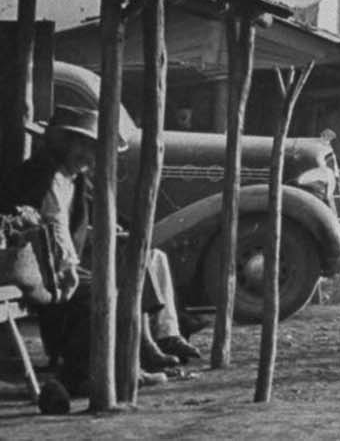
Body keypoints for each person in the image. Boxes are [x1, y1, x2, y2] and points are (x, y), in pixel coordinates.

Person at [0, 104, 196, 398]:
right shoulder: (41, 175)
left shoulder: (73, 179)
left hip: (61, 264)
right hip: (34, 268)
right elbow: (45, 231)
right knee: (104, 293)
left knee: (132, 262)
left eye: (93, 149)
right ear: (65, 142)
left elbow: (75, 227)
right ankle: (92, 373)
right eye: (82, 145)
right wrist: (70, 269)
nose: (87, 156)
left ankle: (138, 352)